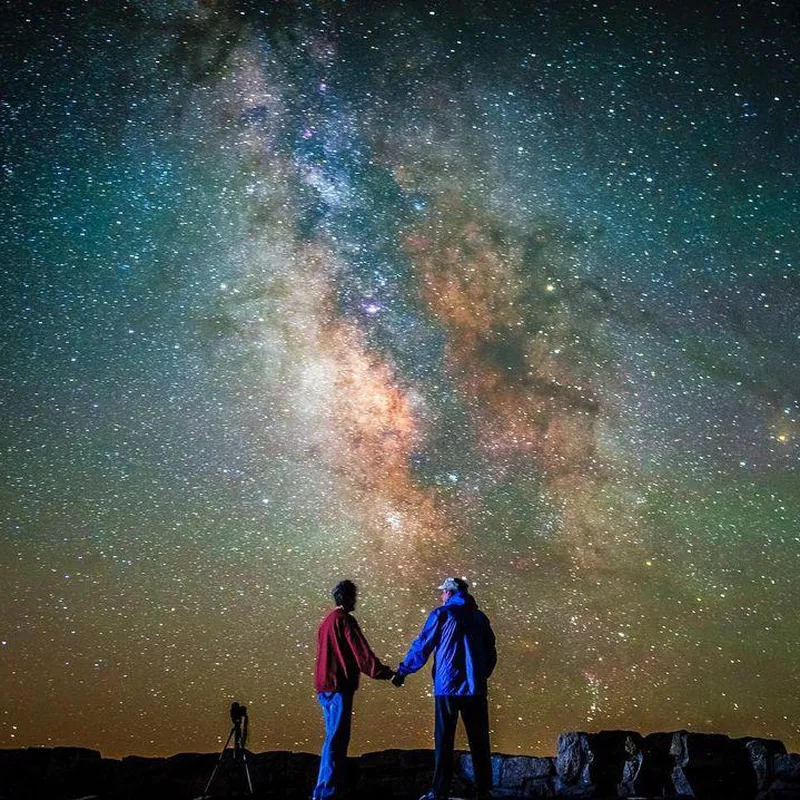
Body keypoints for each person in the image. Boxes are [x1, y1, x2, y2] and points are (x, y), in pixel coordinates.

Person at [394, 577, 497, 800]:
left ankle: (439, 791)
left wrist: (403, 671)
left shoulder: (442, 614)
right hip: (475, 690)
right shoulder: (480, 618)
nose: (441, 596)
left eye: (443, 592)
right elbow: (491, 653)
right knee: (479, 741)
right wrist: (479, 675)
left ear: (449, 593)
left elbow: (423, 645)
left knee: (444, 740)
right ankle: (484, 791)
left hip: (447, 687)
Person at [313, 579, 395, 800]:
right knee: (337, 740)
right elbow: (363, 655)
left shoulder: (326, 621)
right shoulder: (345, 621)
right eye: (354, 596)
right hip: (339, 685)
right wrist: (385, 673)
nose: (356, 600)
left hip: (324, 686)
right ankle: (328, 792)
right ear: (348, 597)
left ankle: (322, 790)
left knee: (331, 737)